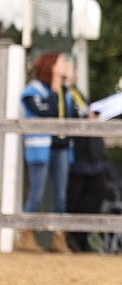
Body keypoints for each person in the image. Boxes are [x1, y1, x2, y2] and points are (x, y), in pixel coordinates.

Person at [17, 52, 72, 253]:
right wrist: (56, 87)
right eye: (61, 62)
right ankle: (25, 234)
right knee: (37, 193)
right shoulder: (33, 90)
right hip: (39, 148)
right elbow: (47, 112)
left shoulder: (66, 92)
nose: (65, 65)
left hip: (62, 148)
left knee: (60, 196)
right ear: (51, 66)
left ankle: (58, 237)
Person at [64, 59, 107, 253]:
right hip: (76, 154)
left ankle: (82, 237)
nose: (76, 74)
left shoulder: (78, 93)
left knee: (96, 193)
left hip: (90, 155)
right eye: (72, 69)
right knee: (74, 198)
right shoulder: (62, 94)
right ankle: (71, 238)